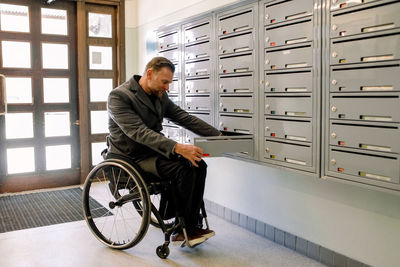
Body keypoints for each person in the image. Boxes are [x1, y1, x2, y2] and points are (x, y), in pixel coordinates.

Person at [106, 56, 221, 247]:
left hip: (153, 152)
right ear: (149, 73)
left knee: (197, 162)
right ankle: (180, 228)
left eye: (169, 82)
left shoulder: (160, 96)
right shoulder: (120, 96)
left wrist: (218, 136)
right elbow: (138, 132)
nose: (167, 87)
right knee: (182, 168)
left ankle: (190, 223)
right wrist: (177, 147)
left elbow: (184, 118)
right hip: (131, 157)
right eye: (164, 82)